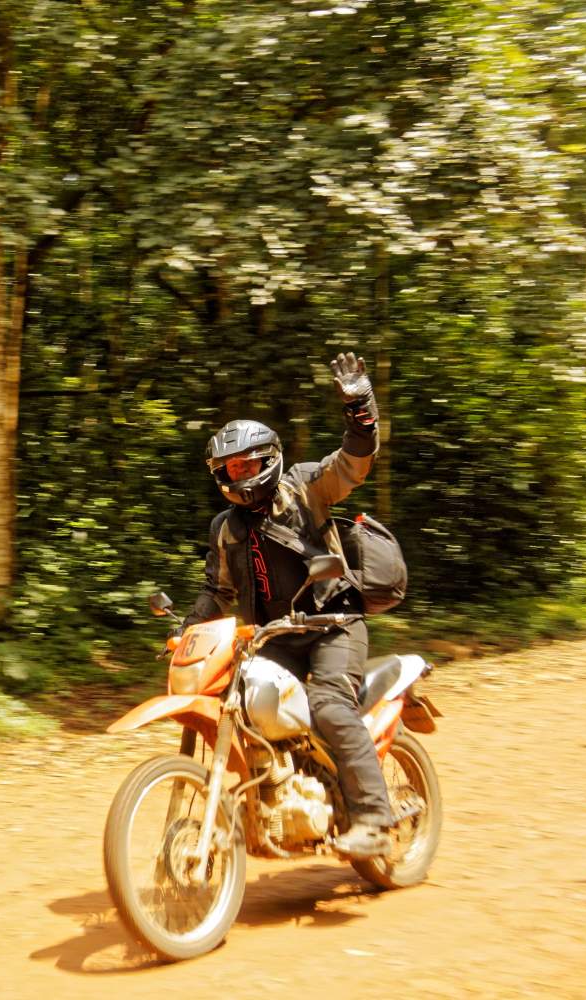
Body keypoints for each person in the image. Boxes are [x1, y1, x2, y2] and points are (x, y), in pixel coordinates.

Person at [182, 352, 394, 859]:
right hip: (271, 641)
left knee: (327, 708)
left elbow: (354, 461)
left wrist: (359, 405)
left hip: (332, 626)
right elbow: (218, 593)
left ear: (268, 459)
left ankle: (375, 818)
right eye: (231, 466)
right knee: (237, 710)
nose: (239, 473)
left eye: (247, 464)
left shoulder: (305, 487)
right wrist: (186, 632)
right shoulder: (226, 528)